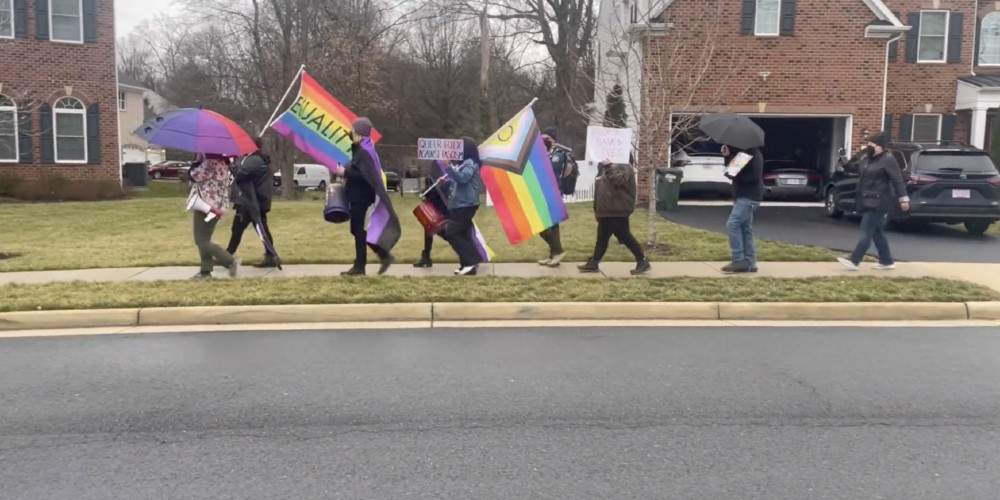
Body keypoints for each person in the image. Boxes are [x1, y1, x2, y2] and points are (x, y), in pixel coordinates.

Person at [838, 132, 909, 271]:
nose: (868, 147)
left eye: (872, 145)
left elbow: (897, 180)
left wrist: (903, 199)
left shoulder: (888, 159)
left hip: (879, 201)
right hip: (867, 200)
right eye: (868, 144)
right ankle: (886, 261)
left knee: (866, 230)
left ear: (880, 147)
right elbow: (854, 168)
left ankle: (854, 260)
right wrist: (844, 158)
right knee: (877, 232)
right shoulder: (868, 159)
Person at [341, 117, 396, 276]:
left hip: (362, 196)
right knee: (358, 230)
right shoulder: (362, 149)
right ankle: (382, 256)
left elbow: (364, 175)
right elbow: (359, 169)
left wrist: (345, 172)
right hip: (358, 195)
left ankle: (360, 266)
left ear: (359, 133)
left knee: (358, 230)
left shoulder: (365, 151)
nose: (350, 133)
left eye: (353, 131)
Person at [578, 160, 650, 275]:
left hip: (617, 210)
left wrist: (608, 166)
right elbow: (599, 190)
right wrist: (597, 210)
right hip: (606, 211)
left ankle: (642, 261)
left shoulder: (625, 167)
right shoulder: (604, 167)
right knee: (602, 238)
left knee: (625, 237)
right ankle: (594, 263)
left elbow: (619, 181)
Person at [227, 138, 279, 268]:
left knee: (248, 230)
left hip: (251, 202)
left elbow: (240, 174)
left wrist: (232, 163)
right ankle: (270, 257)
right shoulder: (252, 158)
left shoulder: (254, 160)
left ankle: (227, 257)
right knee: (246, 229)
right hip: (252, 200)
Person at [188, 154, 239, 279]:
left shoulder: (210, 163)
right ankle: (205, 271)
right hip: (217, 207)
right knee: (205, 239)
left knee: (201, 240)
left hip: (206, 206)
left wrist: (196, 163)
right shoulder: (223, 164)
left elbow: (194, 175)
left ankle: (230, 261)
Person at [721, 143, 764, 274]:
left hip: (748, 197)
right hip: (746, 197)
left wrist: (736, 167)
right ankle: (750, 263)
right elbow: (730, 173)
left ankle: (738, 260)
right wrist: (728, 157)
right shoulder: (747, 153)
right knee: (745, 229)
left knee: (732, 224)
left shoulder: (749, 153)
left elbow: (749, 177)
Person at [444, 138, 484, 276]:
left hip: (465, 204)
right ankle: (466, 265)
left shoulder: (470, 163)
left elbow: (463, 178)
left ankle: (470, 262)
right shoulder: (464, 164)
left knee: (452, 233)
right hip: (460, 204)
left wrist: (449, 167)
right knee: (462, 233)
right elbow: (458, 181)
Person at [537, 129, 570, 267]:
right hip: (543, 192)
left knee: (542, 225)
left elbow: (552, 170)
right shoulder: (544, 153)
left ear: (552, 140)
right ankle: (554, 256)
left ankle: (558, 251)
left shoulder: (559, 154)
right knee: (552, 226)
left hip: (553, 193)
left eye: (546, 139)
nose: (543, 141)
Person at [413, 169, 450, 268]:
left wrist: (427, 195)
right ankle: (426, 257)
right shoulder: (434, 179)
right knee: (428, 232)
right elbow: (431, 193)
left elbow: (439, 195)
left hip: (441, 213)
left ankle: (468, 254)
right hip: (434, 213)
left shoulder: (445, 178)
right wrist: (425, 194)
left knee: (448, 236)